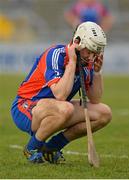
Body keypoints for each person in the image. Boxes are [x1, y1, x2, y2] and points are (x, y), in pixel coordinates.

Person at [11, 21, 112, 164]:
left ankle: (52, 148)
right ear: (78, 42)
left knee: (104, 113)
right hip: (25, 108)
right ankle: (32, 148)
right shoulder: (55, 54)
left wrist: (97, 72)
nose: (91, 57)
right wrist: (72, 62)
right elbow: (61, 95)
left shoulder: (87, 63)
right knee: (66, 108)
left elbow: (95, 99)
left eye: (95, 53)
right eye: (89, 51)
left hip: (58, 109)